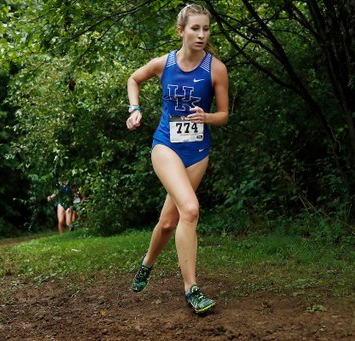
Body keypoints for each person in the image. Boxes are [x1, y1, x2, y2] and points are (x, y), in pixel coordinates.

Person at [126, 4, 229, 313]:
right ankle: (191, 289)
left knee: (170, 221)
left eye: (206, 29)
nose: (201, 34)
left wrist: (208, 117)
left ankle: (146, 264)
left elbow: (224, 115)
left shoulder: (216, 69)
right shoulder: (164, 63)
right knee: (191, 209)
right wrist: (135, 109)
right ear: (181, 31)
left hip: (198, 152)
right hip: (166, 146)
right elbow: (134, 79)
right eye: (195, 28)